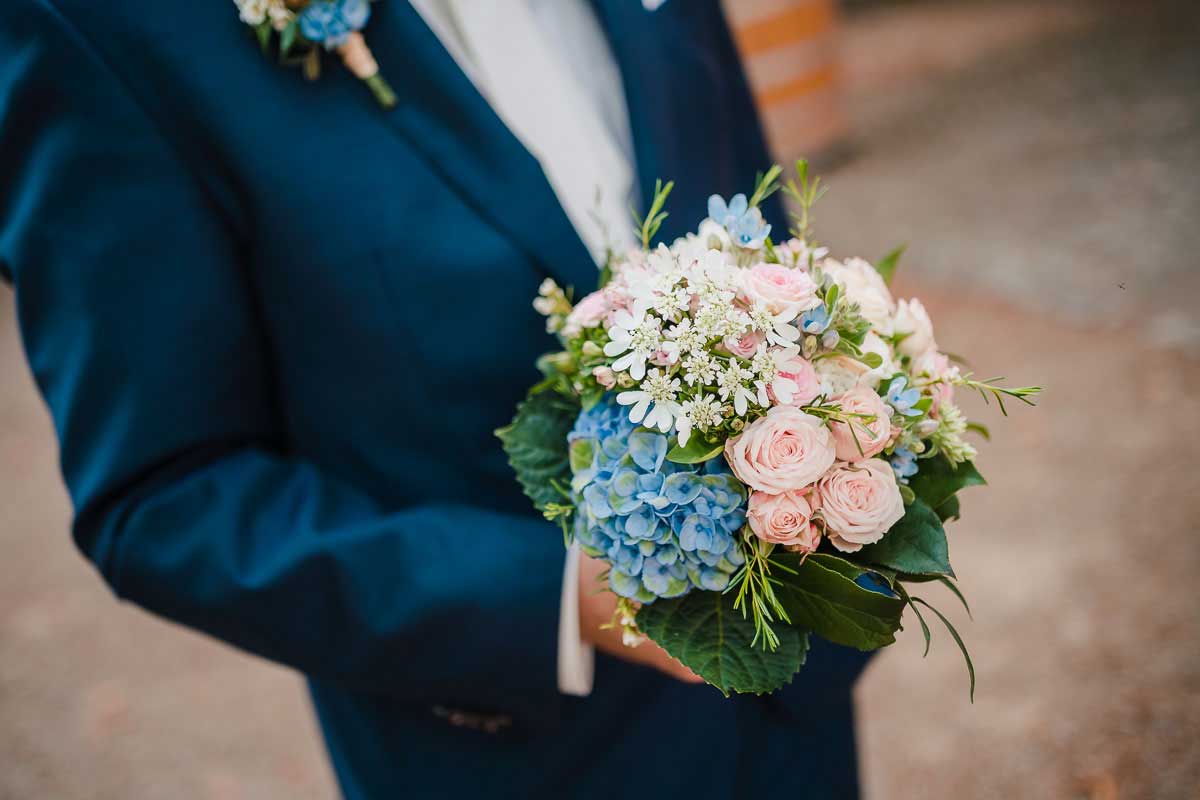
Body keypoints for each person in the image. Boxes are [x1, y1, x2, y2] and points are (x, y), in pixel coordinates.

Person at [0, 1, 872, 797]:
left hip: (798, 717)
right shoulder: (97, 26)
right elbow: (163, 497)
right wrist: (560, 596)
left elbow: (752, 216)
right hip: (528, 751)